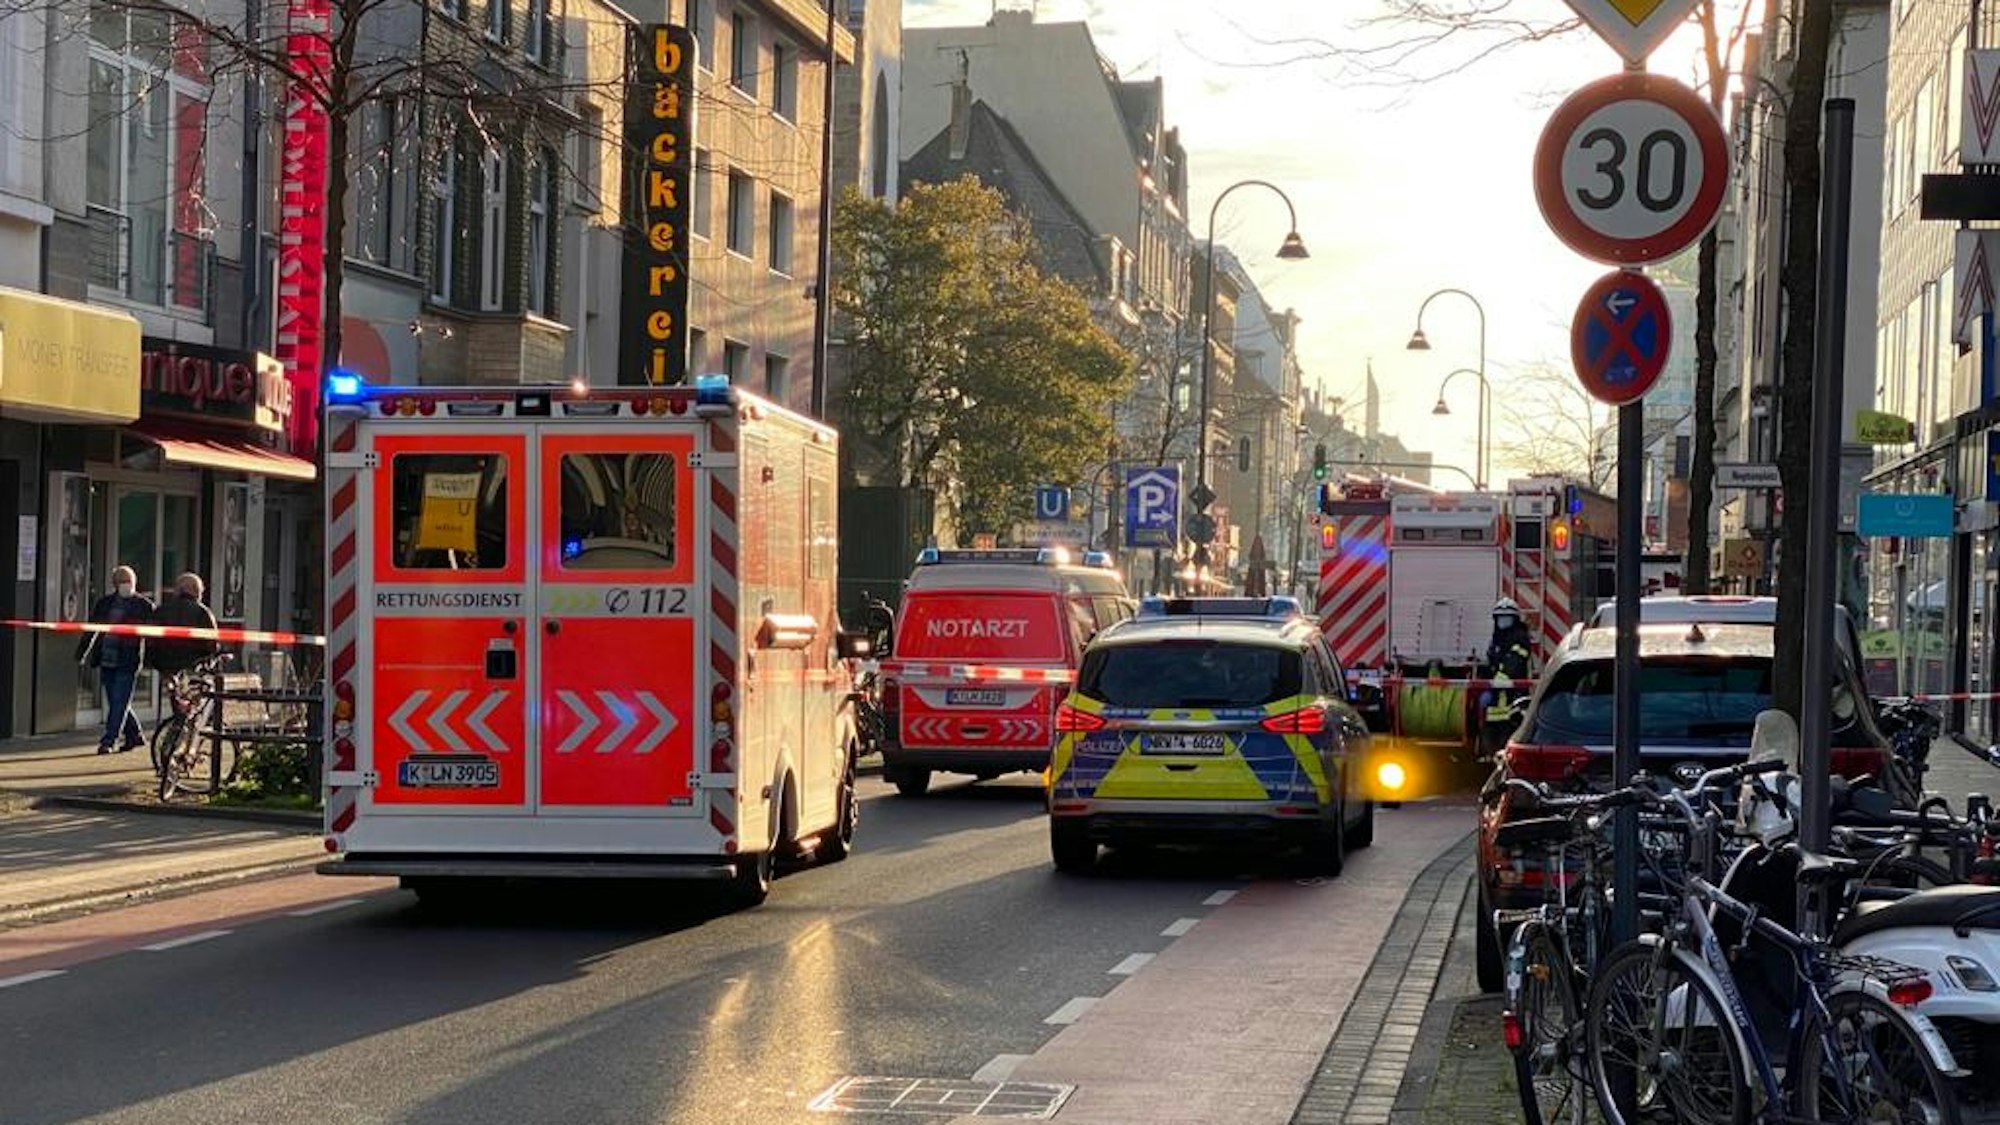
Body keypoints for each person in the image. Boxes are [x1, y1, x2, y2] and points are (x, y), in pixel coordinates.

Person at [81, 565, 153, 755]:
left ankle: (108, 740)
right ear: (115, 584)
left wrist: (153, 660)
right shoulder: (105, 603)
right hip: (106, 658)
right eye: (122, 582)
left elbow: (153, 634)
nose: (126, 585)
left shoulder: (144, 606)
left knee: (120, 701)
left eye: (128, 582)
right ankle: (135, 735)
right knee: (117, 702)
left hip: (128, 660)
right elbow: (92, 629)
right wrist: (83, 652)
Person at [149, 572, 220, 679]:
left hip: (165, 665)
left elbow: (151, 640)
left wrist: (155, 661)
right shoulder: (203, 613)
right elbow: (211, 644)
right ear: (196, 591)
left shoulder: (161, 611)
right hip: (193, 667)